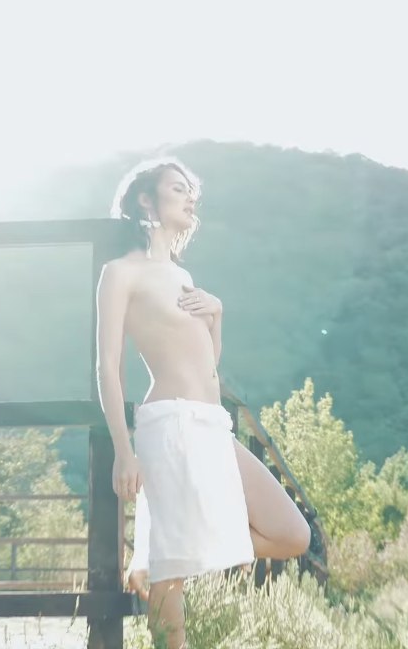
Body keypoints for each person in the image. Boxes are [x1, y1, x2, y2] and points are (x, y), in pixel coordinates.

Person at [94, 158, 311, 648]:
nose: (190, 197)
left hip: (211, 424)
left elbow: (207, 366)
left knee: (291, 534)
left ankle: (160, 557)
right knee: (170, 571)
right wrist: (124, 450)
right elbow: (108, 366)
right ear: (146, 200)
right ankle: (161, 573)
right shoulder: (121, 273)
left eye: (191, 190)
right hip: (170, 422)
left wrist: (217, 317)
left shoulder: (182, 274)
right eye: (178, 188)